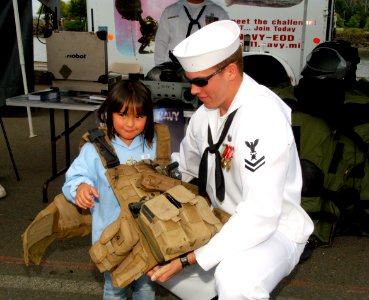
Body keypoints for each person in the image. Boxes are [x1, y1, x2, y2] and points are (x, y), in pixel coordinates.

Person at [147, 20, 314, 299]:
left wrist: (190, 258)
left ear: (231, 72)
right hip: (220, 220)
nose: (193, 91)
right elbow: (184, 168)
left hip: (273, 229)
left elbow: (260, 214)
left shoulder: (262, 116)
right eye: (190, 81)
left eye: (200, 81)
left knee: (236, 279)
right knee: (147, 254)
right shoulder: (205, 114)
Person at [62, 80, 158, 300]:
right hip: (113, 240)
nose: (131, 124)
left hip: (149, 238)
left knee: (146, 287)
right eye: (123, 115)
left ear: (149, 118)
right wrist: (80, 188)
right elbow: (73, 178)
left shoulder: (155, 146)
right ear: (109, 113)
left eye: (139, 116)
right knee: (115, 289)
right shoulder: (94, 149)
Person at [154, 0, 229, 66]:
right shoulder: (170, 11)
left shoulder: (219, 13)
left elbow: (225, 43)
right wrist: (161, 66)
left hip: (206, 68)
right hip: (174, 68)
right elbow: (161, 41)